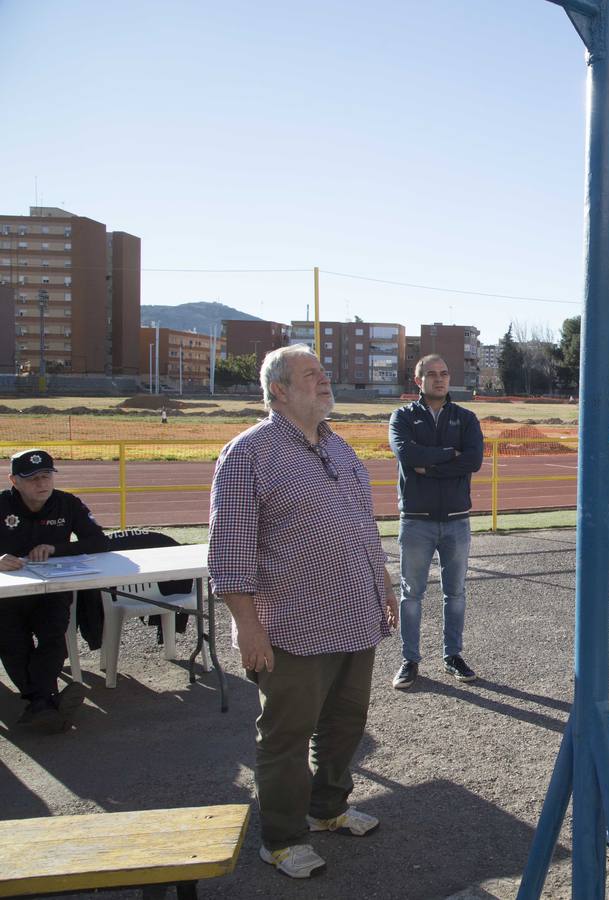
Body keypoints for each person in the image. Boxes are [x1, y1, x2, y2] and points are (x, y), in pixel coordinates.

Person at [208, 346, 397, 880]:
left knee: (344, 724)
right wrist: (247, 625)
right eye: (310, 374)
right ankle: (282, 838)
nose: (323, 380)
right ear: (279, 391)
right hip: (291, 625)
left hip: (355, 616)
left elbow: (363, 526)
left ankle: (328, 809)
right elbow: (229, 553)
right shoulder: (249, 454)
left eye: (323, 372)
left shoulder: (338, 448)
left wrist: (382, 585)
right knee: (287, 735)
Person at [388, 354, 484, 690]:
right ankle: (410, 659)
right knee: (411, 594)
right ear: (418, 381)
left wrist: (431, 466)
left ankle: (452, 656)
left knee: (455, 593)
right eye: (431, 374)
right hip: (416, 520)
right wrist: (450, 454)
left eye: (444, 373)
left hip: (457, 520)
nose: (439, 379)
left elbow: (473, 460)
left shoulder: (466, 418)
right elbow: (408, 455)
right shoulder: (402, 417)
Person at [0, 449, 109, 733]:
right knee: (12, 640)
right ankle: (45, 701)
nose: (42, 483)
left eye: (46, 476)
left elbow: (98, 541)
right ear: (14, 480)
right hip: (9, 594)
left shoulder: (67, 503)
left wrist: (56, 549)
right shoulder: (1, 504)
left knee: (53, 635)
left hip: (52, 590)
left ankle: (40, 704)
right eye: (32, 478)